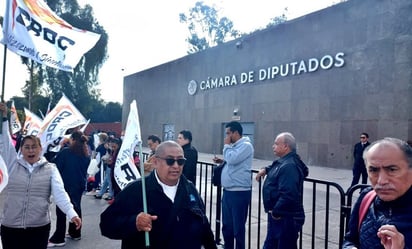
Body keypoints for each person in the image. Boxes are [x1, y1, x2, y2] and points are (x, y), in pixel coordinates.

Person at [99, 141, 217, 249]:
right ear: (155, 161)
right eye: (170, 161)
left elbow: (203, 225)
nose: (176, 166)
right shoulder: (137, 190)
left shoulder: (189, 189)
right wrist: (134, 222)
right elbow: (106, 224)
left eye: (180, 161)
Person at [0, 103, 81, 249]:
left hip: (38, 228)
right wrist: (4, 118)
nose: (31, 151)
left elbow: (60, 194)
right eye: (27, 147)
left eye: (34, 147)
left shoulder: (51, 169)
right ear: (22, 149)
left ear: (40, 148)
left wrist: (71, 213)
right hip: (10, 226)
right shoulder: (12, 166)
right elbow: (5, 142)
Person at [343, 137, 412, 248]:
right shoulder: (367, 198)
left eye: (392, 169)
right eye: (373, 170)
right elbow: (350, 239)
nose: (381, 181)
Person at [255, 132, 309, 249]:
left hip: (285, 218)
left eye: (276, 143)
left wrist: (276, 212)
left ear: (286, 146)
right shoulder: (285, 162)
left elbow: (288, 194)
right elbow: (276, 167)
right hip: (280, 217)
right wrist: (266, 169)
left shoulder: (289, 166)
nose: (273, 146)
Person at [213, 121, 254, 249]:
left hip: (239, 192)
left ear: (236, 133)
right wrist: (223, 160)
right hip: (228, 192)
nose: (226, 137)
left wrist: (226, 147)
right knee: (227, 225)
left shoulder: (246, 145)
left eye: (228, 133)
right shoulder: (235, 146)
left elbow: (233, 159)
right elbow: (231, 160)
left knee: (238, 227)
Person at [48, 131, 91, 246]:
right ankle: (75, 233)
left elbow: (54, 165)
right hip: (79, 184)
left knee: (62, 209)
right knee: (76, 207)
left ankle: (59, 237)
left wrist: (60, 147)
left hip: (66, 184)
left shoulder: (66, 152)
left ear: (72, 139)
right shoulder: (86, 154)